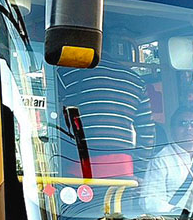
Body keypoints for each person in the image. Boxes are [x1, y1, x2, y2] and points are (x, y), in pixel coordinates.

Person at [55, 31, 155, 176]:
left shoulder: (68, 72)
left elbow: (50, 112)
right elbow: (147, 131)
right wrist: (138, 172)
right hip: (122, 169)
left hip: (80, 166)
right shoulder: (135, 80)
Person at [142, 106, 193, 213]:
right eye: (183, 124)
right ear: (172, 130)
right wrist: (177, 212)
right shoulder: (161, 160)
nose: (189, 128)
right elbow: (150, 200)